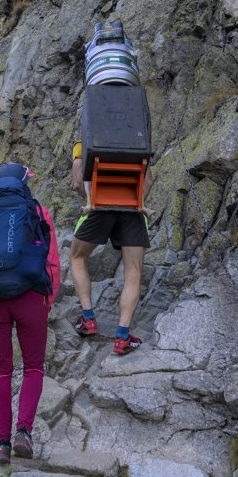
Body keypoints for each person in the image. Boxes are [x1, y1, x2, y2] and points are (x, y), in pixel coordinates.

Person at [0, 163, 60, 464]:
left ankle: (1, 444)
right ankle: (24, 432)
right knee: (33, 367)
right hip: (30, 296)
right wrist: (47, 299)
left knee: (0, 371)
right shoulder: (36, 211)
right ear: (24, 183)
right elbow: (52, 261)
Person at [69, 141, 153, 356]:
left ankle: (88, 319)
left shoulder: (84, 143)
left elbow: (78, 182)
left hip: (98, 207)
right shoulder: (137, 143)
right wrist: (135, 202)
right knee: (133, 272)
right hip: (133, 211)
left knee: (78, 257)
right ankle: (123, 337)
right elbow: (148, 182)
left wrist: (90, 199)